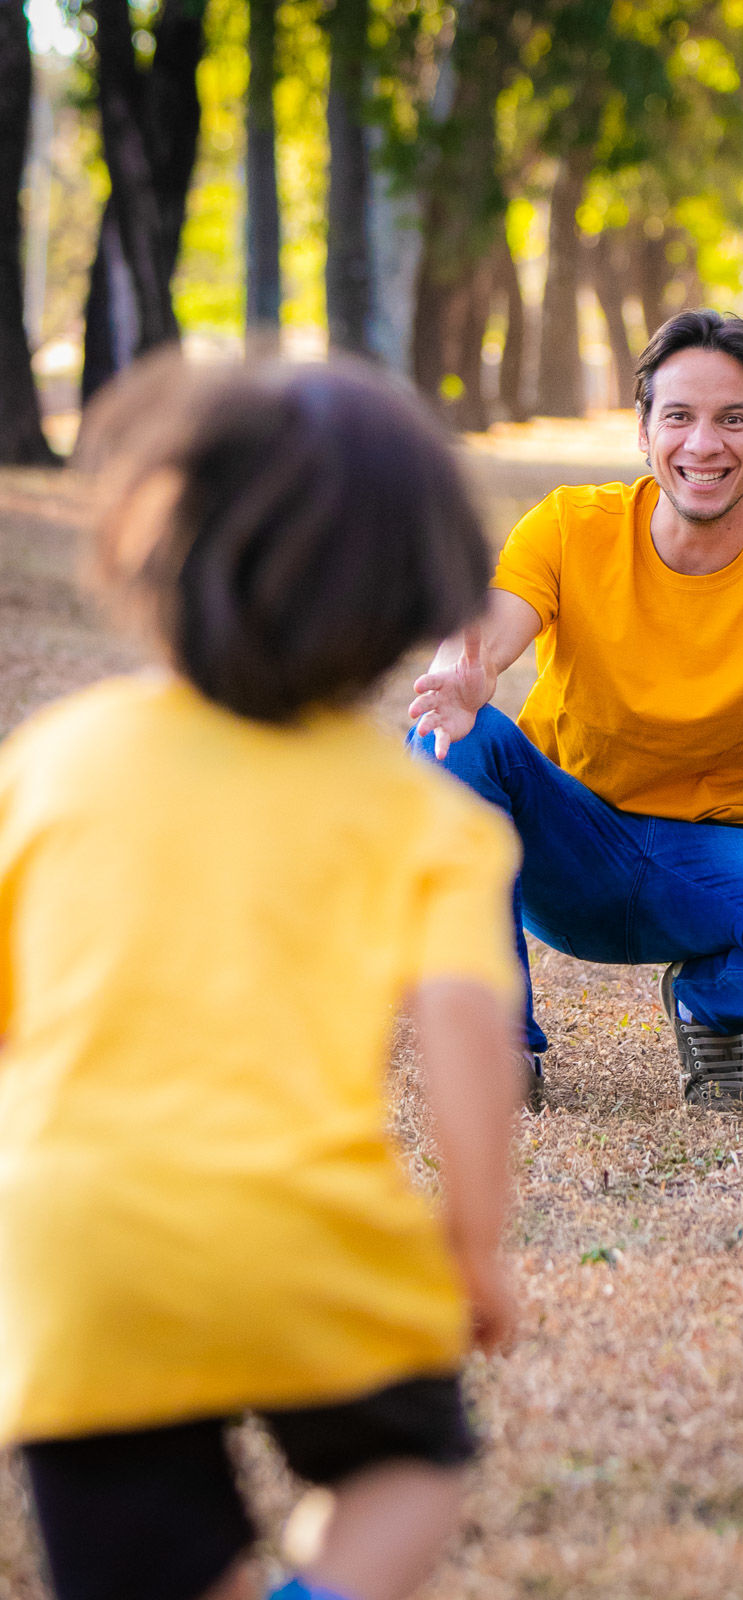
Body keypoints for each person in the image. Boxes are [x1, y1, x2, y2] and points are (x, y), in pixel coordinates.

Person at [0, 353, 522, 1600]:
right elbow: (467, 1038)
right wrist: (474, 1251)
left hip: (77, 1255)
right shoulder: (422, 816)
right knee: (409, 1465)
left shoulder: (54, 762)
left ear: (152, 546)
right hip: (303, 1238)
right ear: (411, 594)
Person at [410, 308, 743, 1107]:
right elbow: (478, 649)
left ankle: (708, 1000)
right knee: (448, 736)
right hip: (566, 849)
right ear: (643, 431)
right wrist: (460, 678)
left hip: (713, 868)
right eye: (679, 417)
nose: (704, 445)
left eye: (733, 420)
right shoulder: (569, 527)